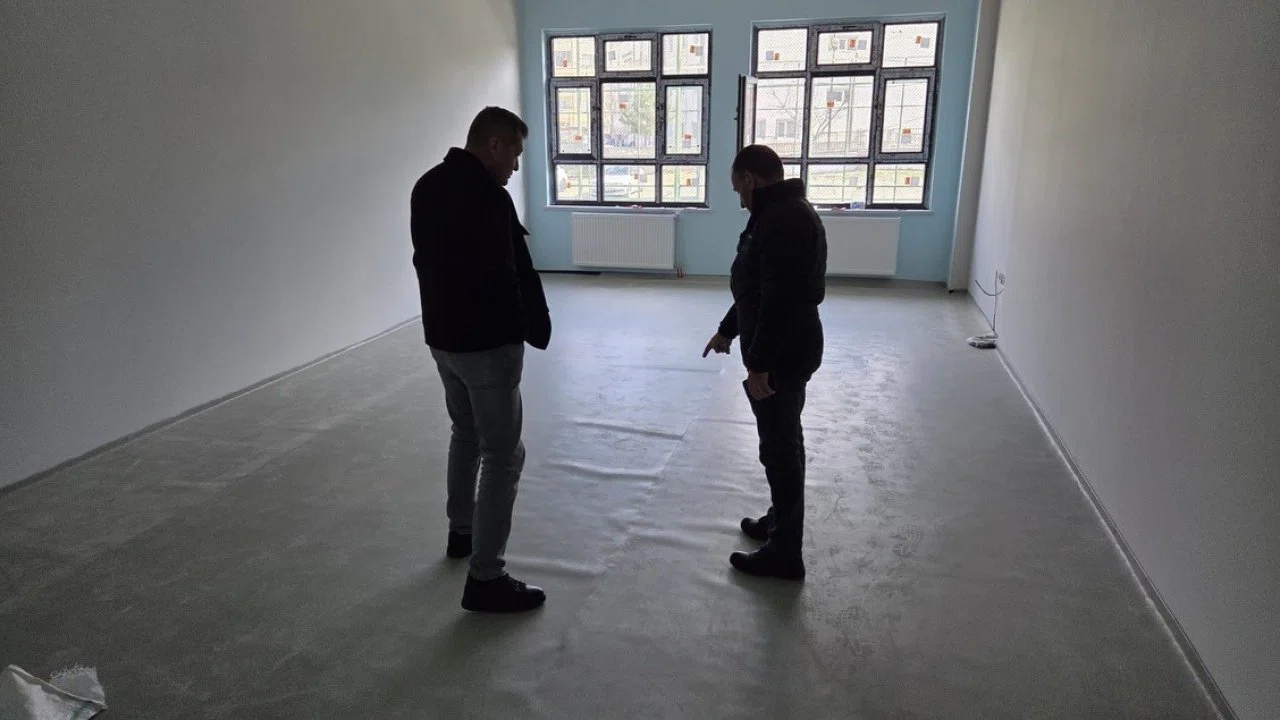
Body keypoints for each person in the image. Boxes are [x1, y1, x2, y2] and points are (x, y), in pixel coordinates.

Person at [410, 106, 552, 612]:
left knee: (465, 433)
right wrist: (520, 333)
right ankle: (486, 577)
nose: (516, 165)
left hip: (442, 340)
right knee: (503, 454)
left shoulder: (426, 186)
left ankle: (461, 531)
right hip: (487, 347)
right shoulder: (489, 198)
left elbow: (424, 261)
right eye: (515, 152)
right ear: (493, 145)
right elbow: (505, 275)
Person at [703, 144, 827, 581]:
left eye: (738, 189)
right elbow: (754, 287)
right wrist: (728, 329)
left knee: (780, 448)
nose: (739, 199)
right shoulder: (777, 213)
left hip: (782, 354)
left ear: (750, 179)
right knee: (783, 440)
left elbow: (779, 300)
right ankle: (780, 522)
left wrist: (759, 364)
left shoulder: (784, 220)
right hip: (783, 348)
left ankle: (785, 553)